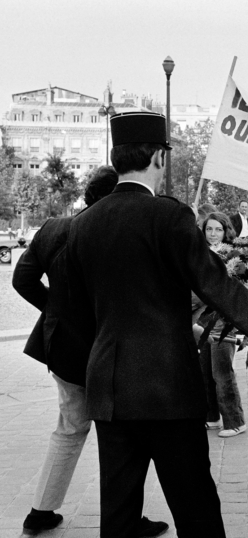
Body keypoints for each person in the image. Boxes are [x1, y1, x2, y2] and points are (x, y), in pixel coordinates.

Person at [66, 111, 248, 537]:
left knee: (117, 511)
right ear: (159, 159)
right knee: (195, 509)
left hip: (109, 388)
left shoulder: (82, 225)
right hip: (167, 386)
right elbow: (220, 287)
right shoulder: (167, 216)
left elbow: (77, 312)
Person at [12, 167, 169, 537]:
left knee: (69, 428)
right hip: (111, 349)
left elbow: (22, 279)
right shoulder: (118, 231)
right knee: (124, 437)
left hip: (63, 350)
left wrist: (57, 312)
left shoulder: (53, 226)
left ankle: (41, 511)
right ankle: (127, 518)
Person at [193, 212, 247, 438]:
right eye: (209, 229)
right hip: (200, 317)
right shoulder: (197, 253)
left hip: (223, 319)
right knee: (204, 370)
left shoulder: (234, 256)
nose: (213, 234)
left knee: (222, 372)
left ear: (226, 232)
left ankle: (235, 421)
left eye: (218, 229)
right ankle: (211, 416)